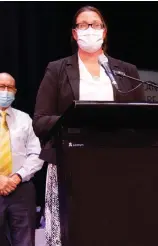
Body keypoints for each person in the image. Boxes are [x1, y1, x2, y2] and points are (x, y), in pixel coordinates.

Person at [33, 5, 145, 246]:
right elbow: (40, 121)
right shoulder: (58, 69)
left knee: (113, 231)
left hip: (116, 164)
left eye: (95, 24)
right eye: (82, 25)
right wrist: (79, 119)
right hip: (69, 163)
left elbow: (141, 121)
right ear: (74, 34)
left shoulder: (126, 71)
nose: (89, 29)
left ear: (104, 31)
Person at [0, 73, 44, 246]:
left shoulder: (24, 119)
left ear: (15, 91)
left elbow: (37, 154)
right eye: (1, 86)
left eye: (9, 88)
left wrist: (17, 177)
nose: (5, 91)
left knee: (24, 241)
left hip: (21, 189)